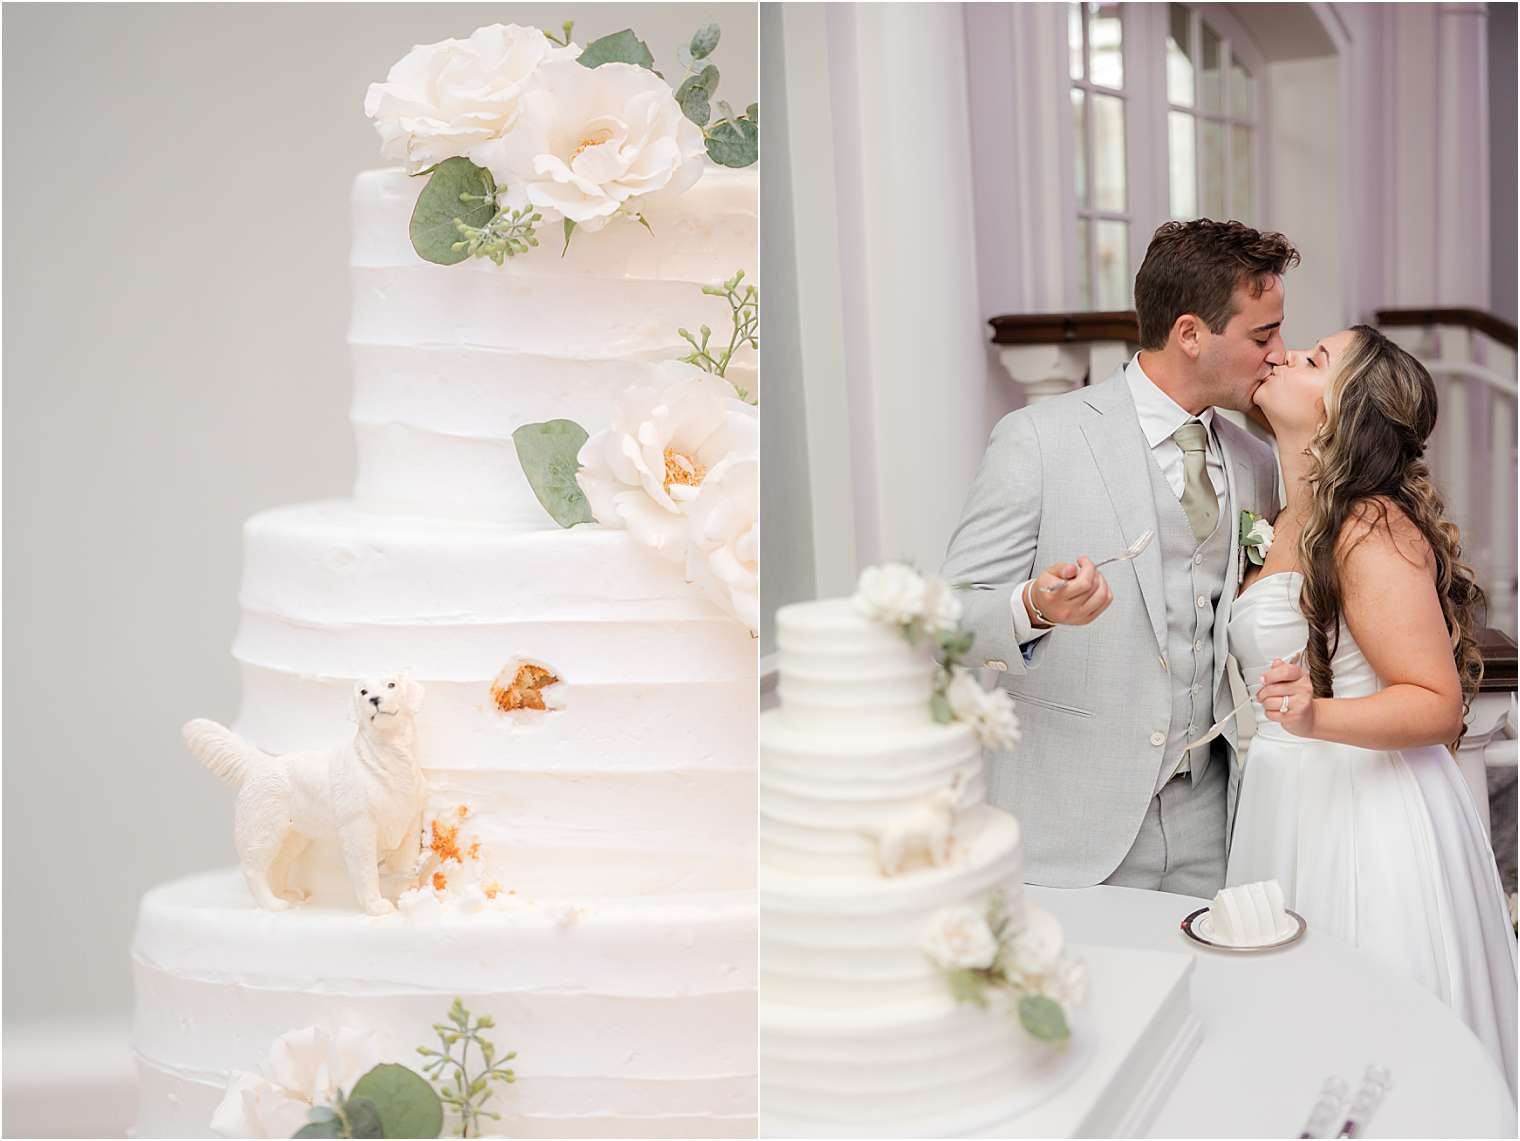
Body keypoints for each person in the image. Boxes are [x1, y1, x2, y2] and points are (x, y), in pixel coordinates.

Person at [942, 219, 1296, 895]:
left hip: (1214, 820)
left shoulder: (1255, 460)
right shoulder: (1039, 439)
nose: (1279, 353)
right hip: (1072, 826)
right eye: (1262, 335)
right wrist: (1032, 608)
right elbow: (945, 620)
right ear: (1190, 333)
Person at [1228, 324, 1517, 1092]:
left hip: (1366, 820)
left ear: (1344, 412)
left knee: (1370, 1055)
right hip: (1292, 798)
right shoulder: (1286, 517)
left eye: (1315, 359)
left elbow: (1435, 704)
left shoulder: (1368, 525)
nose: (1286, 355)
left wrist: (1315, 716)